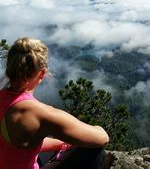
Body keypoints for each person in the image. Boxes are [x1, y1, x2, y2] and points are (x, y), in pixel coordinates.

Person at [0, 37, 109, 169]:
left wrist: (60, 143)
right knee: (94, 150)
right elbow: (102, 138)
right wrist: (97, 128)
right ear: (42, 73)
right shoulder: (38, 113)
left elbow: (21, 143)